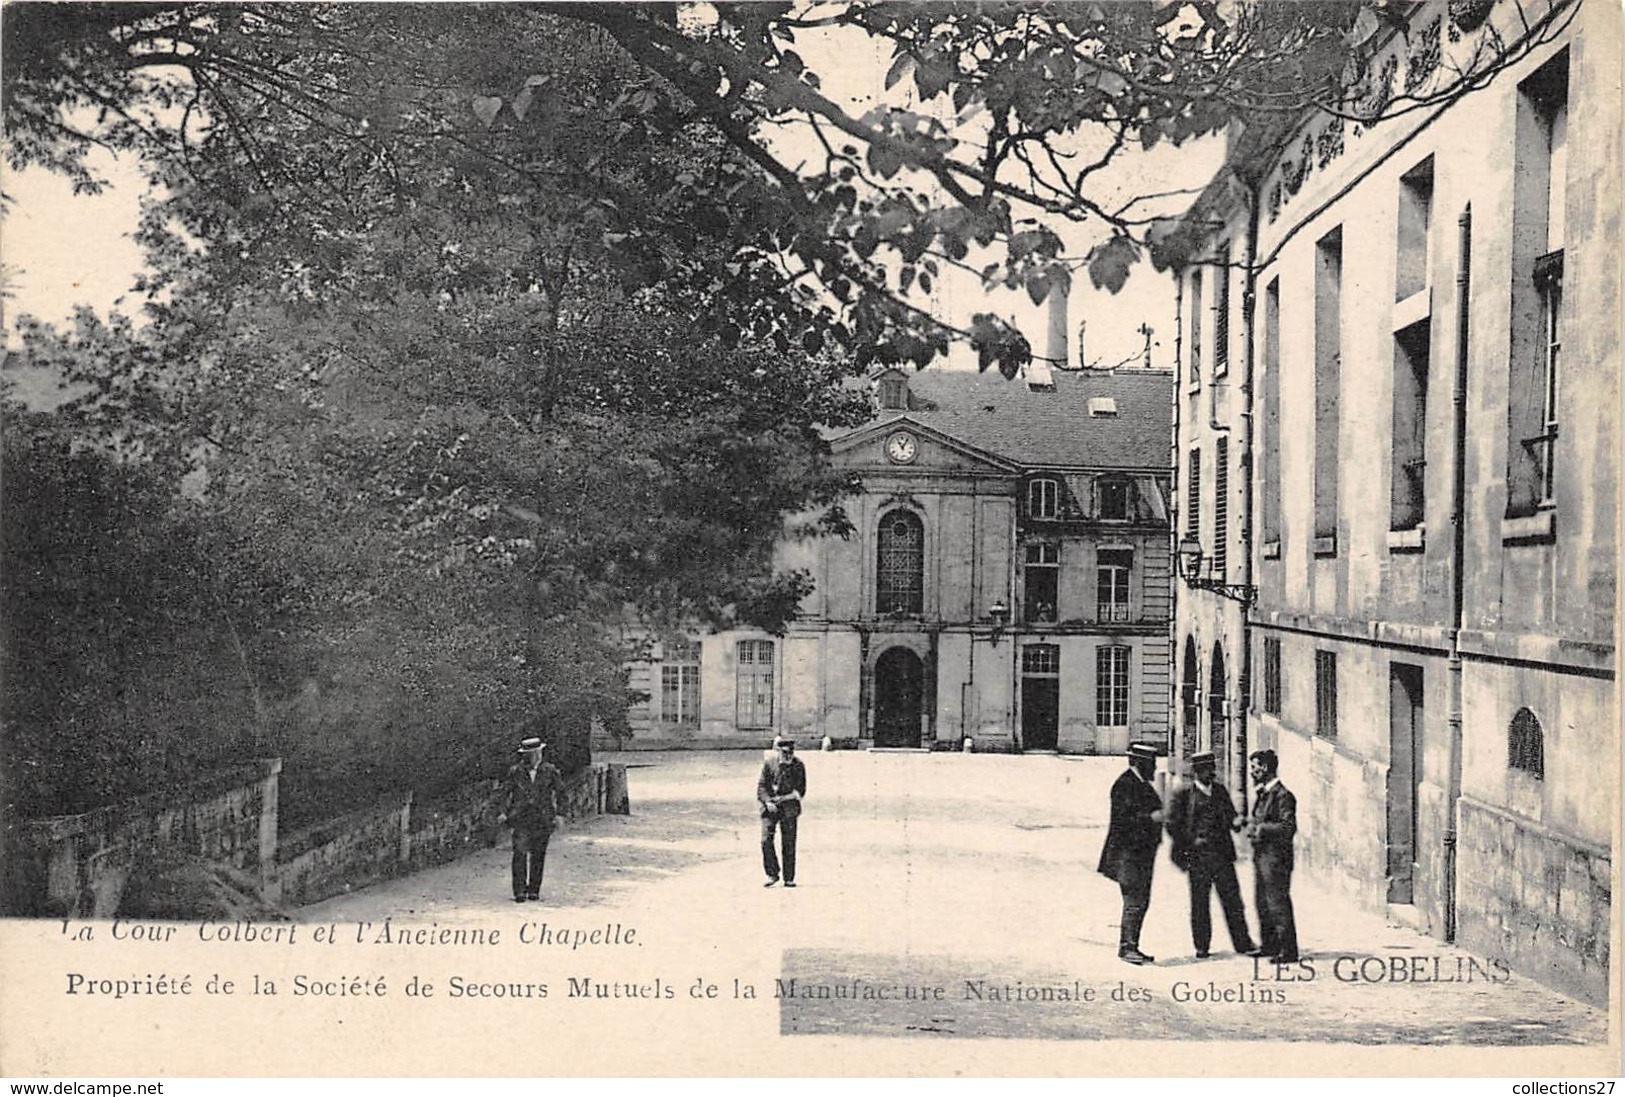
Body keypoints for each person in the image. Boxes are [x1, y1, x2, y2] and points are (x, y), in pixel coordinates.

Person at [1166, 751, 1258, 959]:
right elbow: (1172, 824)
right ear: (1197, 772)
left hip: (1222, 856)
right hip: (1197, 858)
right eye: (1207, 770)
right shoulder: (1183, 794)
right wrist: (1189, 842)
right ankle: (1202, 946)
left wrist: (1236, 822)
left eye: (1212, 769)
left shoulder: (1220, 791)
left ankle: (1243, 943)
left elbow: (1231, 816)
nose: (1212, 774)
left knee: (1233, 901)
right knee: (1200, 904)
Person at [1097, 742, 1165, 964]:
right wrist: (1152, 818)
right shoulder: (1125, 785)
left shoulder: (1140, 783)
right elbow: (1125, 821)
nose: (1154, 767)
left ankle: (1132, 945)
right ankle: (1127, 948)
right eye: (1151, 763)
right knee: (1134, 901)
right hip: (1128, 855)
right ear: (1139, 763)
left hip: (1140, 855)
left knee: (1141, 900)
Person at [1245, 748, 1300, 962]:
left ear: (1265, 768)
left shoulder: (1283, 795)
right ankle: (1269, 945)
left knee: (1277, 903)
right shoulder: (1263, 793)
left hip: (1277, 859)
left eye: (1254, 767)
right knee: (1262, 902)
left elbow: (1288, 827)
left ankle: (1288, 950)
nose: (1252, 772)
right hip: (1262, 857)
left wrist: (1262, 829)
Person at [501, 736, 562, 903]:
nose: (535, 756)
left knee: (538, 854)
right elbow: (504, 793)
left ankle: (534, 890)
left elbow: (561, 793)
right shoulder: (515, 772)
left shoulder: (550, 771)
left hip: (543, 819)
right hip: (521, 818)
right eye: (529, 754)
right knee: (519, 853)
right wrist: (503, 812)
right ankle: (519, 891)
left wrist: (559, 815)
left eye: (536, 753)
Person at [757, 734, 806, 888]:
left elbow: (800, 791)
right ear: (778, 751)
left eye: (790, 752)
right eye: (784, 753)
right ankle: (772, 874)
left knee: (789, 842)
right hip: (770, 807)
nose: (788, 756)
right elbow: (761, 787)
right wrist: (767, 801)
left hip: (789, 808)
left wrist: (784, 798)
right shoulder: (769, 764)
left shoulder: (798, 766)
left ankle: (789, 878)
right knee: (766, 840)